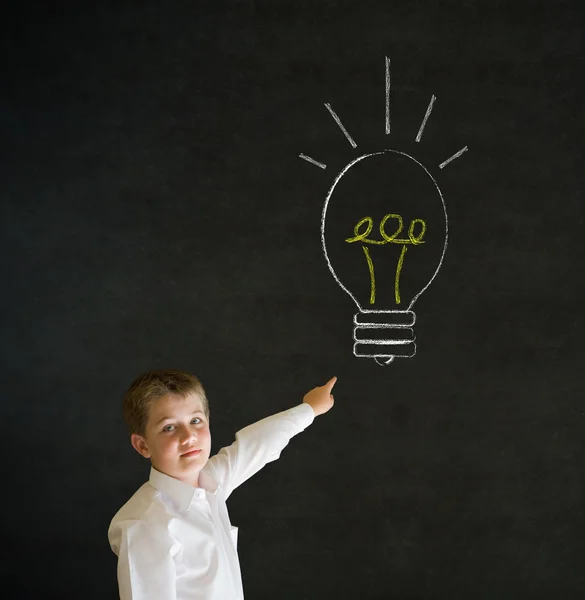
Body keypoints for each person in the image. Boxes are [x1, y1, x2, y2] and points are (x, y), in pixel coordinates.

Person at [108, 368, 336, 600]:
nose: (189, 436)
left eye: (195, 421)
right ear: (142, 445)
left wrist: (310, 409)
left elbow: (255, 446)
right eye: (169, 427)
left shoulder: (209, 483)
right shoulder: (145, 525)